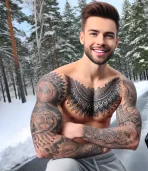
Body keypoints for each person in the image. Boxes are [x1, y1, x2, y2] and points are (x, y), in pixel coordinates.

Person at [29, 1, 141, 171]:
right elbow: (43, 147)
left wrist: (80, 130)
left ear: (116, 42)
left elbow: (132, 138)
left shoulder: (123, 85)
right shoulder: (55, 82)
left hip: (108, 162)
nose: (101, 41)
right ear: (82, 37)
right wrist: (102, 145)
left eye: (108, 35)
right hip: (69, 160)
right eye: (94, 33)